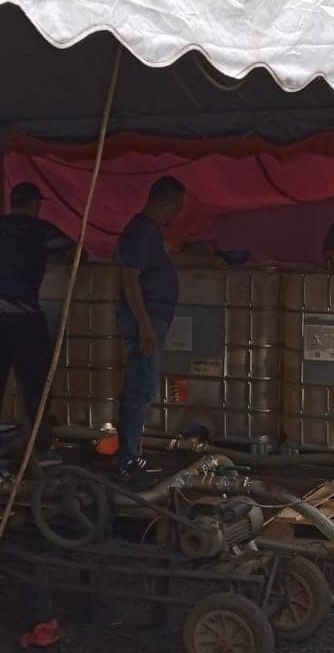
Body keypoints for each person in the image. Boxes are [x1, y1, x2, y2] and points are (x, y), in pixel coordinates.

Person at [0, 182, 78, 467]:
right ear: (34, 205)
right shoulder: (40, 230)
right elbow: (73, 249)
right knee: (36, 381)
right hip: (22, 314)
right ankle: (40, 447)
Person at [113, 176, 187, 484]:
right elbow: (130, 280)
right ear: (165, 201)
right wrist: (145, 325)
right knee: (141, 387)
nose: (177, 215)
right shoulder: (142, 231)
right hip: (144, 320)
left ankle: (132, 452)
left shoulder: (149, 232)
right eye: (176, 208)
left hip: (151, 318)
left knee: (141, 385)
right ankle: (128, 458)